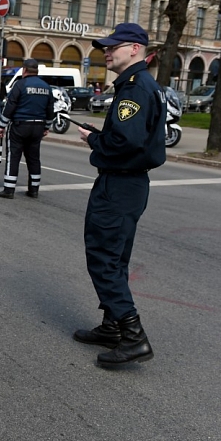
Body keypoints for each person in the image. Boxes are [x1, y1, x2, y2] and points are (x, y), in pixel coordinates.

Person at [74, 23, 166, 368]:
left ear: (135, 49)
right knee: (115, 256)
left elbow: (123, 143)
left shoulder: (134, 87)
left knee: (104, 257)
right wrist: (101, 135)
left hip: (120, 185)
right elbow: (132, 138)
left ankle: (133, 336)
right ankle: (113, 325)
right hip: (129, 183)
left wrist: (93, 140)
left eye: (113, 47)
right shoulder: (143, 85)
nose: (106, 52)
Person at [0, 58, 54, 199]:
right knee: (34, 158)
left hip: (20, 126)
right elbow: (50, 109)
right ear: (37, 71)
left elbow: (10, 107)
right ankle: (34, 189)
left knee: (13, 157)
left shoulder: (20, 85)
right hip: (38, 127)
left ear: (24, 70)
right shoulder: (46, 87)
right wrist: (47, 126)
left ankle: (9, 190)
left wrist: (1, 126)